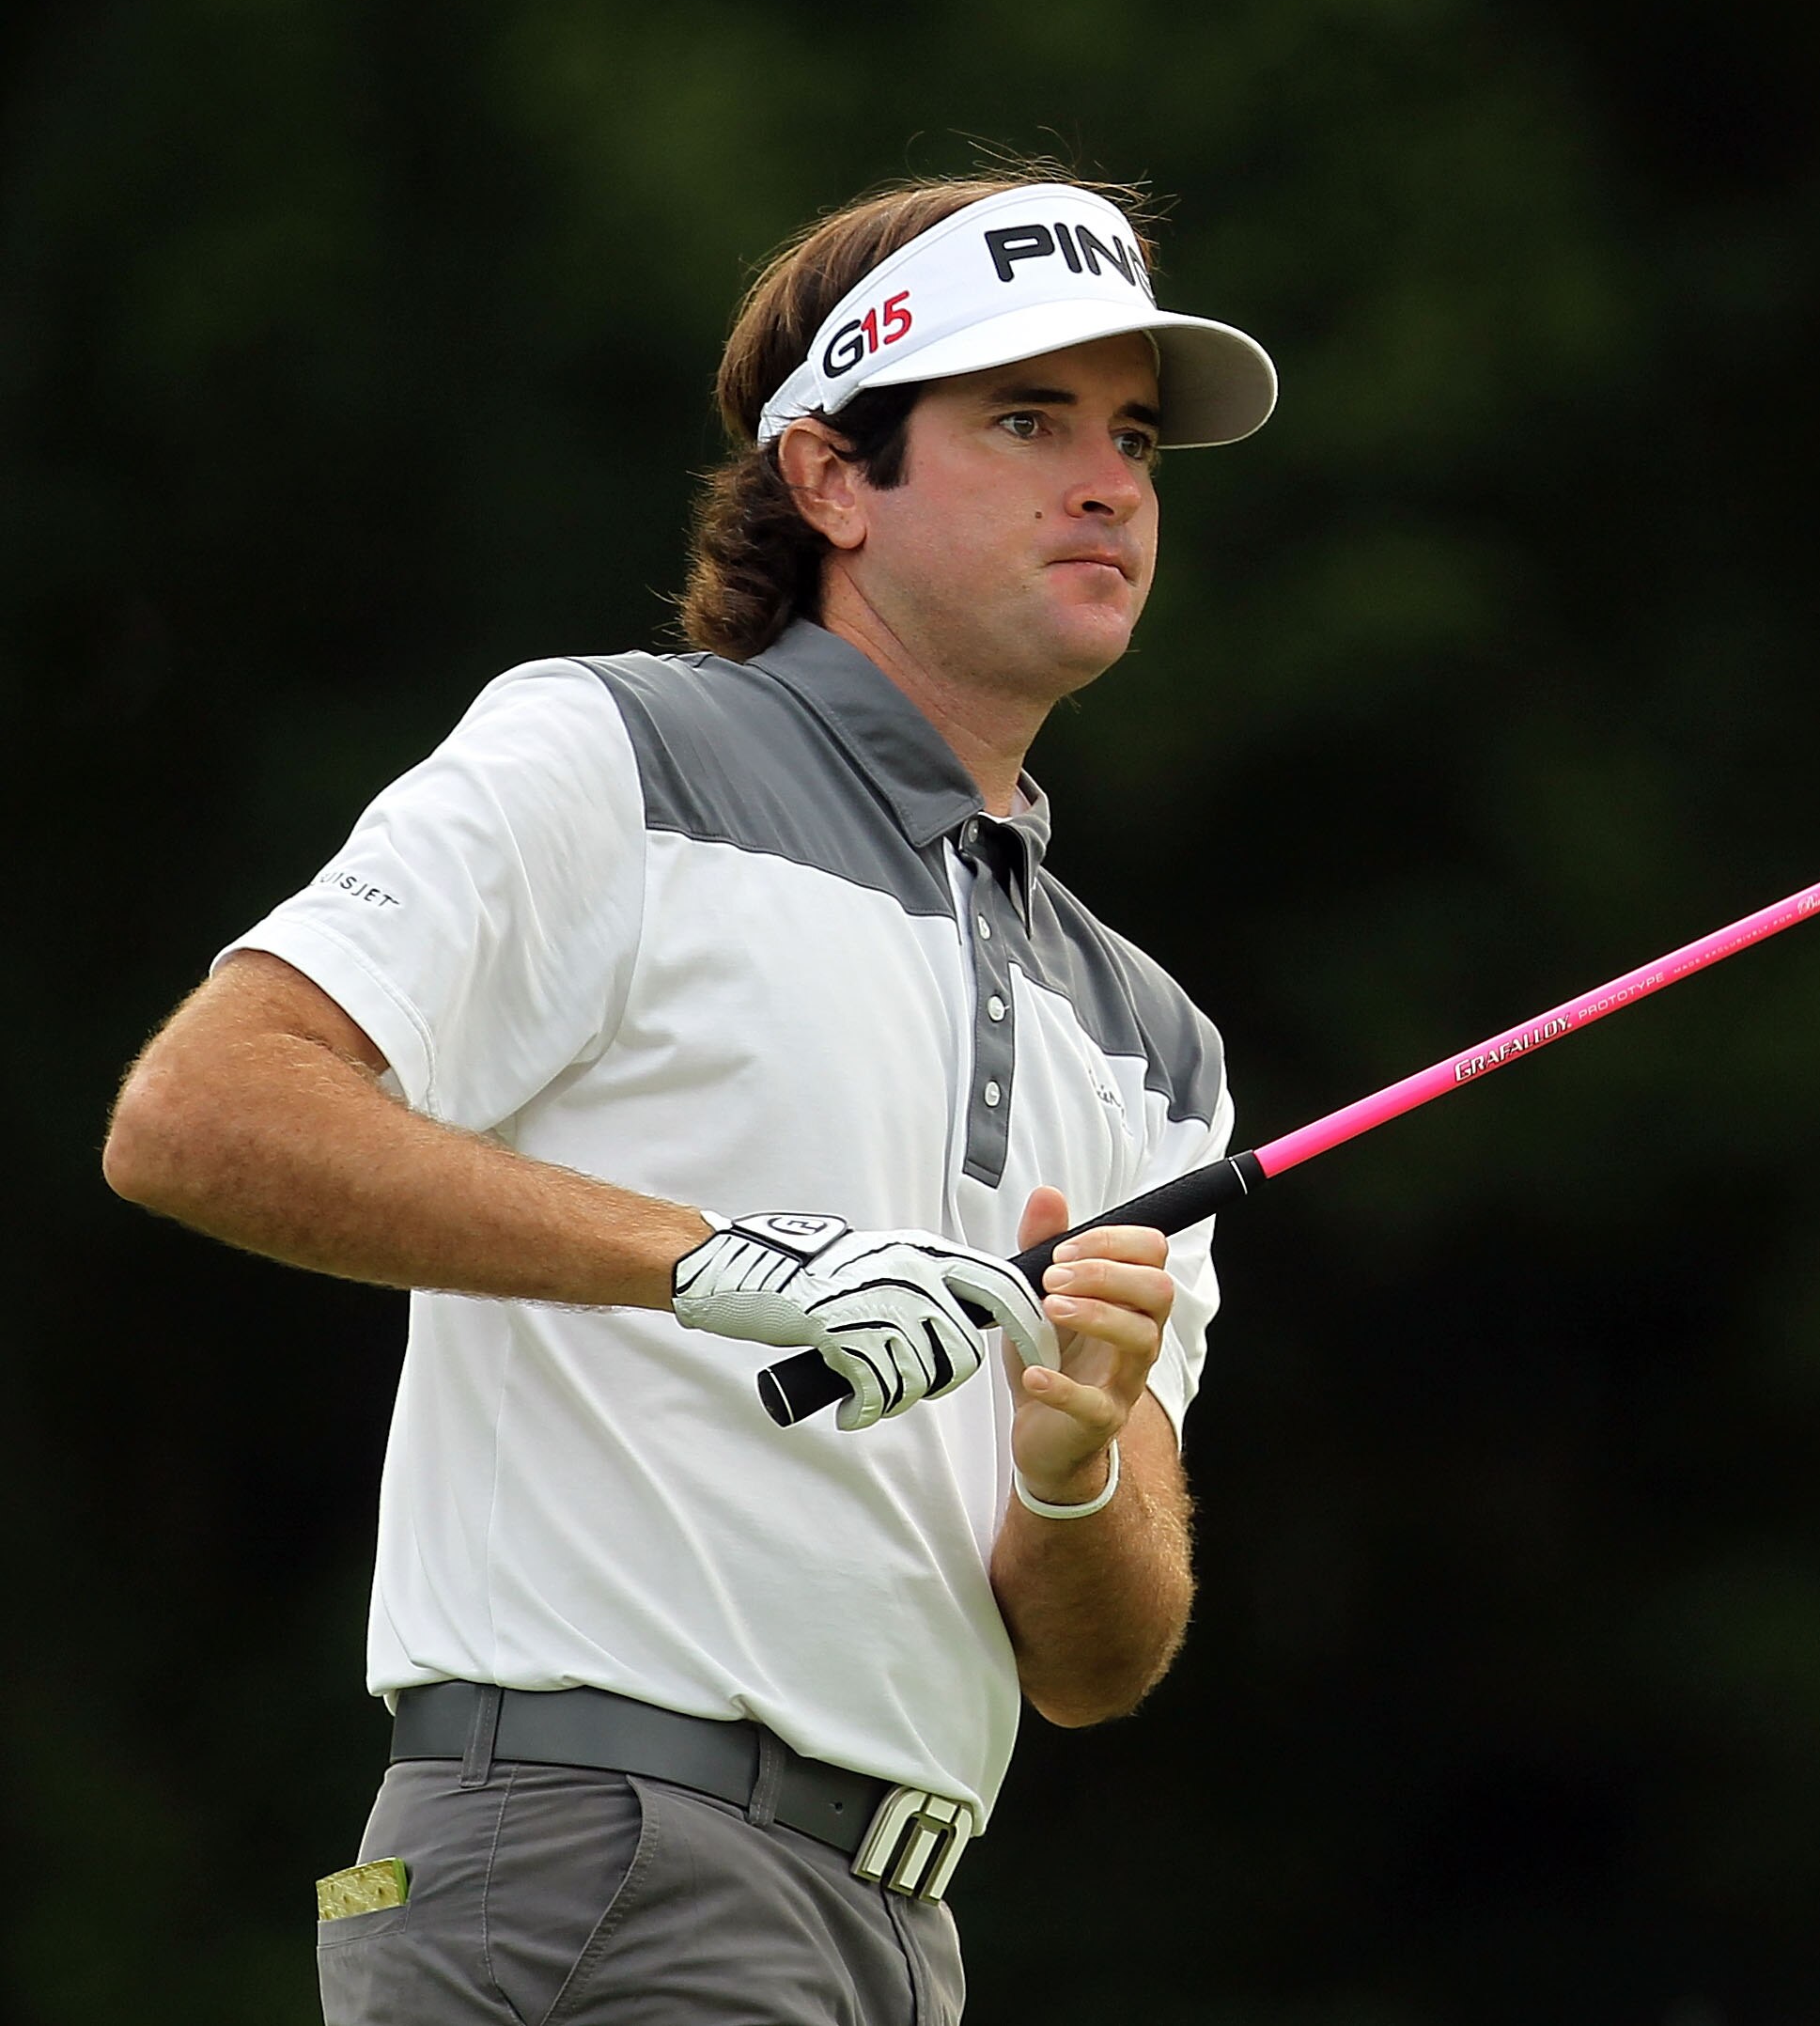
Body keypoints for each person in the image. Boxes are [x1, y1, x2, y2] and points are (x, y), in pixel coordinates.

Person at [100, 164, 1277, 2024]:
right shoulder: (615, 750)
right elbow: (200, 1111)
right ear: (830, 478)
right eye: (1025, 417)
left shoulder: (1151, 1038)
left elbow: (1096, 1664)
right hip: (596, 1865)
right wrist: (720, 1260)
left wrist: (1065, 1474)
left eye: (1132, 435)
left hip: (898, 1929)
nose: (1110, 481)